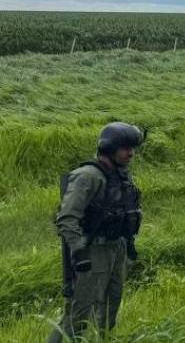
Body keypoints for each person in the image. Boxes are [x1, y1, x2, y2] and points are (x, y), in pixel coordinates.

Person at [48, 122, 144, 343]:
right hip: (92, 253)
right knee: (78, 315)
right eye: (125, 148)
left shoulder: (120, 174)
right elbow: (66, 217)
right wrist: (79, 252)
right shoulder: (88, 176)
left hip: (116, 249)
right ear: (110, 148)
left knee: (111, 308)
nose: (131, 153)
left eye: (133, 148)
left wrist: (127, 245)